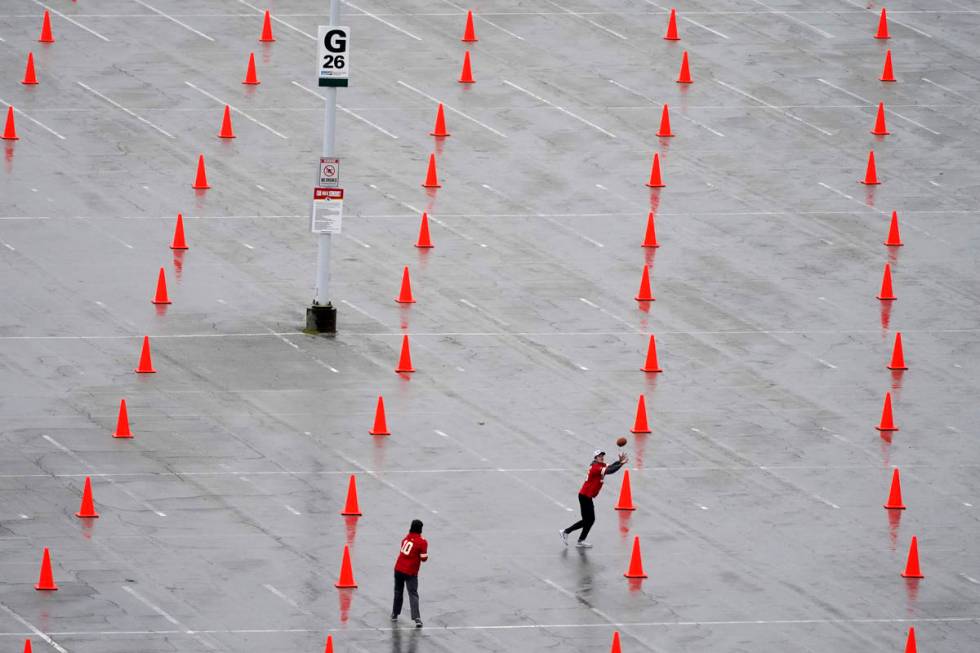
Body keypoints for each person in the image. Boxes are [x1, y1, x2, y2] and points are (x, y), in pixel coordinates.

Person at [560, 450, 627, 548]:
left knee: (589, 520)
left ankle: (578, 539)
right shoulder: (596, 468)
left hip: (587, 496)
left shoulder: (600, 465)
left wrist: (619, 461)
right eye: (599, 456)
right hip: (584, 496)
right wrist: (621, 464)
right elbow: (610, 471)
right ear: (595, 458)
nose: (602, 457)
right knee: (588, 520)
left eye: (602, 455)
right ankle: (566, 532)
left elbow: (611, 466)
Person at [392, 519, 428, 627]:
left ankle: (395, 613)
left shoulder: (406, 538)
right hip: (410, 571)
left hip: (398, 569)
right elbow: (423, 558)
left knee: (398, 592)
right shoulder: (422, 542)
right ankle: (416, 618)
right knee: (413, 594)